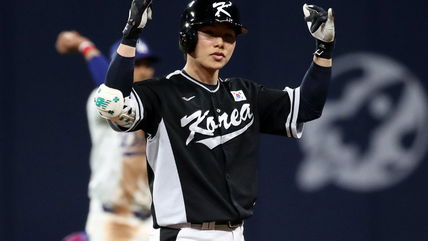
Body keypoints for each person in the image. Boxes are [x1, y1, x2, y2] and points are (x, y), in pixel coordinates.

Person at [94, 0, 335, 240]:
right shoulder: (161, 94)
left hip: (236, 233)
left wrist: (324, 49)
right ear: (187, 37)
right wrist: (131, 34)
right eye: (210, 33)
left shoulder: (245, 94)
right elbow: (112, 102)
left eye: (229, 36)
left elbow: (306, 107)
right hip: (186, 234)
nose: (220, 43)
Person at [55, 31, 159, 241]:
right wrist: (86, 46)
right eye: (136, 64)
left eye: (147, 64)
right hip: (108, 220)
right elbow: (113, 94)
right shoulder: (99, 101)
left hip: (149, 222)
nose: (144, 70)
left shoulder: (157, 103)